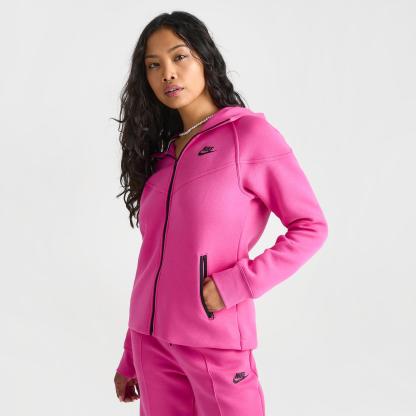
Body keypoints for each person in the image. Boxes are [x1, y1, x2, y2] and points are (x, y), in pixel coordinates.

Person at [112, 11, 328, 416]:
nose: (167, 73)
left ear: (205, 58)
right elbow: (152, 260)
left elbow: (311, 226)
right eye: (153, 65)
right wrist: (130, 352)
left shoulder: (248, 137)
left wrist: (239, 283)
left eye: (179, 57)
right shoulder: (162, 157)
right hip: (151, 346)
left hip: (216, 340)